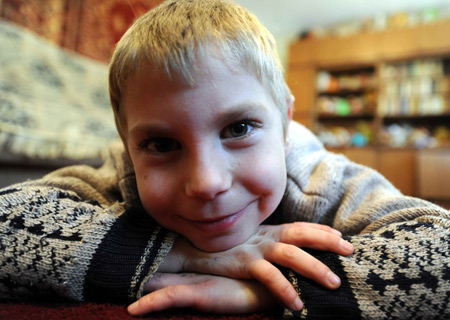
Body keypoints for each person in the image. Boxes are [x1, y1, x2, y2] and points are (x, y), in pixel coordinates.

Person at [1, 0, 449, 319]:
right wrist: (180, 255)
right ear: (126, 143)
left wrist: (268, 289)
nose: (207, 183)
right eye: (161, 144)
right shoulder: (122, 176)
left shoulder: (318, 177)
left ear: (285, 122)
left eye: (238, 129)